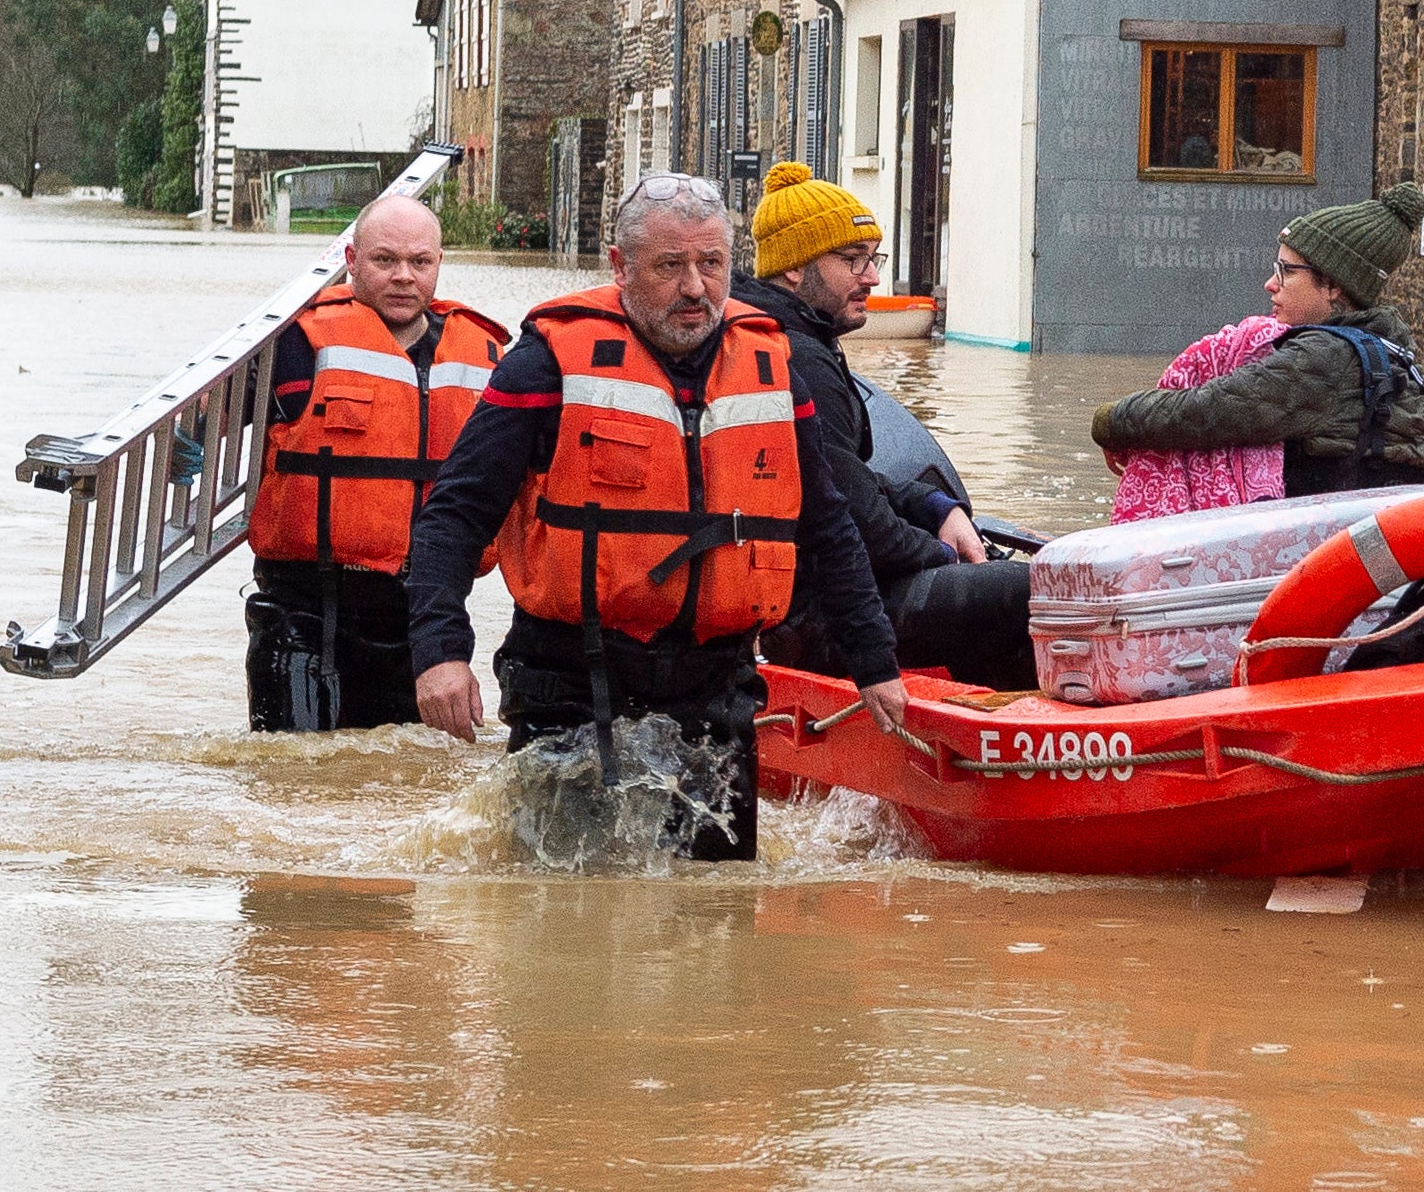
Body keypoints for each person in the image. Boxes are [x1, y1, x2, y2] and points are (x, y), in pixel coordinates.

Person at [404, 174, 908, 861]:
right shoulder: (546, 362)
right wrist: (441, 654)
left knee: (717, 915)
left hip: (716, 679)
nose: (696, 288)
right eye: (671, 267)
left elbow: (824, 524)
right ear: (620, 267)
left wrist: (874, 661)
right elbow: (455, 515)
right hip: (572, 674)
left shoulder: (772, 365)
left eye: (711, 265)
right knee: (557, 922)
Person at [736, 161, 1038, 691]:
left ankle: (975, 717)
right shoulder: (802, 361)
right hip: (821, 620)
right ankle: (1017, 744)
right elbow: (860, 524)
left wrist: (934, 508)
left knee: (985, 584)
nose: (872, 277)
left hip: (794, 604)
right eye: (853, 261)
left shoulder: (777, 339)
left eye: (872, 259)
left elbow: (840, 473)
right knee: (1035, 589)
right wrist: (949, 557)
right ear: (792, 268)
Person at [239, 193, 510, 732]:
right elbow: (215, 413)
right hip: (304, 612)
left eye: (420, 262)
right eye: (386, 261)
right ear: (352, 260)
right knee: (294, 781)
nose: (404, 277)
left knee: (406, 795)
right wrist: (189, 441)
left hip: (424, 617)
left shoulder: (488, 357)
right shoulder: (298, 342)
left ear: (439, 264)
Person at [1087, 182, 1424, 494]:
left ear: (1333, 285)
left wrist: (1112, 421)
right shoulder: (1396, 355)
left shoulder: (1327, 358)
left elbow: (1210, 410)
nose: (1271, 284)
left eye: (1286, 271)